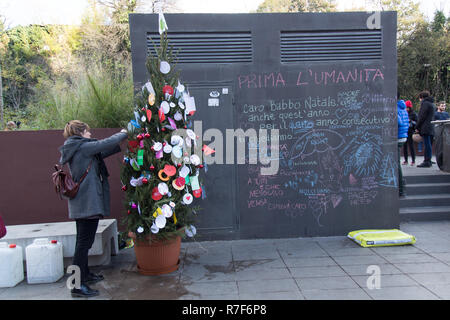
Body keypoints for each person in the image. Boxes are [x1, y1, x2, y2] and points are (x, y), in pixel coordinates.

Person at [59, 120, 127, 298]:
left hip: (83, 203)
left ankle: (85, 274)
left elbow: (103, 151)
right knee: (82, 245)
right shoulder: (81, 147)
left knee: (84, 242)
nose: (90, 134)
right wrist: (124, 132)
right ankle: (76, 286)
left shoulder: (78, 147)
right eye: (88, 132)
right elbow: (105, 143)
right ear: (80, 133)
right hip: (87, 203)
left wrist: (120, 142)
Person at [415, 91, 435, 168]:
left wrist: (417, 126)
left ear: (421, 97)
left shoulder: (425, 104)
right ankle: (428, 159)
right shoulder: (432, 104)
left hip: (425, 127)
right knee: (429, 144)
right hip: (431, 127)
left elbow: (422, 117)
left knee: (427, 145)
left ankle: (427, 161)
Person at [397, 100, 409, 197]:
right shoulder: (403, 108)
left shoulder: (395, 108)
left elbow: (399, 122)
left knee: (396, 164)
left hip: (397, 137)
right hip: (403, 136)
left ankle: (401, 189)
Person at [403, 100, 418, 166]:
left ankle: (413, 160)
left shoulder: (413, 114)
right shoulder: (404, 113)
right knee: (405, 146)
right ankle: (406, 160)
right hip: (405, 130)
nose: (406, 109)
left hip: (410, 131)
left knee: (411, 146)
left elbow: (416, 122)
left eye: (407, 107)